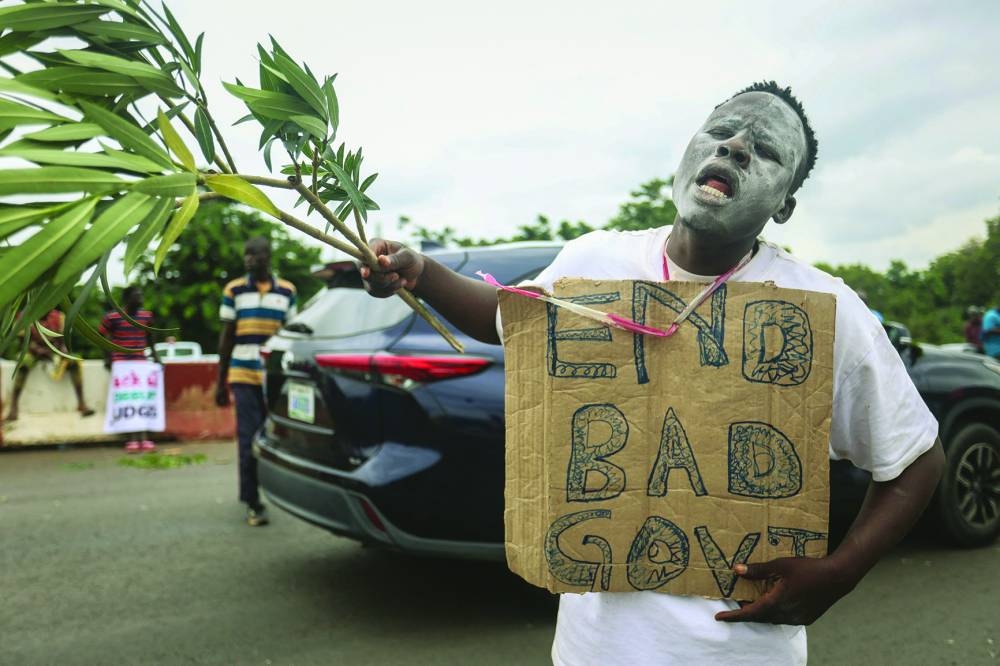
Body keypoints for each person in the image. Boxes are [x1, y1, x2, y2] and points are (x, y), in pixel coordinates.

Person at [361, 81, 945, 665]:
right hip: (593, 651)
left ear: (784, 204)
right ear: (688, 153)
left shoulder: (822, 309)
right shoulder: (594, 263)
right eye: (719, 133)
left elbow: (917, 458)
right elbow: (509, 320)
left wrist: (840, 573)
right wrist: (421, 272)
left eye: (764, 150)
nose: (735, 146)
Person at [215, 237, 297, 527]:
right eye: (246, 254)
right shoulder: (234, 289)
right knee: (248, 437)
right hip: (242, 373)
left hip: (273, 377)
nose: (249, 259)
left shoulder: (287, 291)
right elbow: (226, 338)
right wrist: (219, 381)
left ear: (267, 256)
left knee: (273, 438)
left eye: (255, 254)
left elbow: (289, 337)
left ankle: (281, 493)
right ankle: (252, 500)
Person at [98, 286, 162, 452]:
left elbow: (150, 335)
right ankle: (132, 439)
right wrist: (107, 358)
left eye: (141, 294)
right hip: (121, 364)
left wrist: (155, 355)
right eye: (136, 294)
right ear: (127, 298)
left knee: (141, 400)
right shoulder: (112, 317)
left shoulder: (146, 316)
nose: (140, 297)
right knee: (127, 401)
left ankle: (144, 438)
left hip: (140, 363)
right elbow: (101, 336)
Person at [5, 309, 95, 422]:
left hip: (54, 350)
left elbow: (63, 339)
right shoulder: (25, 316)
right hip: (32, 351)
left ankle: (82, 403)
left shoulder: (59, 317)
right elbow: (22, 342)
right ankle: (14, 407)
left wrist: (62, 351)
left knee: (74, 362)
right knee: (23, 364)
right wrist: (38, 350)